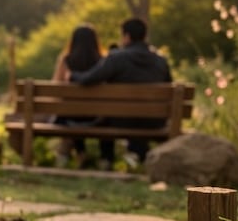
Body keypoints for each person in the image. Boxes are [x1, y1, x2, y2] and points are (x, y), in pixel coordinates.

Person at [72, 18, 173, 168]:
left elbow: (88, 79)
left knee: (104, 117)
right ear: (144, 36)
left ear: (126, 36)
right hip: (154, 122)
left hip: (121, 120)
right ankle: (141, 157)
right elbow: (169, 88)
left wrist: (72, 75)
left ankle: (107, 160)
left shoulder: (116, 58)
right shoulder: (160, 60)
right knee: (121, 115)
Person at [51, 25, 105, 165]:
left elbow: (55, 89)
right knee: (83, 112)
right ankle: (103, 159)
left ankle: (71, 155)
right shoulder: (104, 61)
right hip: (97, 117)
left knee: (69, 112)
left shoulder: (65, 60)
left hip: (69, 117)